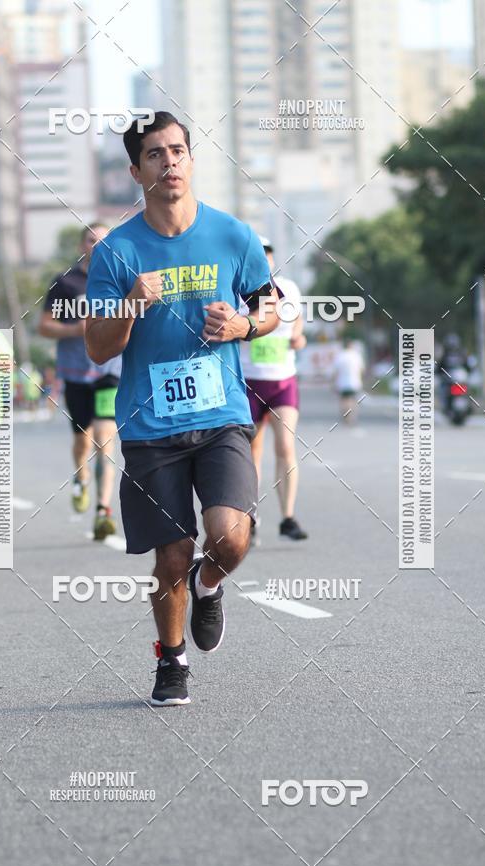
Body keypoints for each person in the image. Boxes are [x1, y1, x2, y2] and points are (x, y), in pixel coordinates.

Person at [85, 111, 279, 706]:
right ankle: (171, 663)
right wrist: (130, 307)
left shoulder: (232, 235)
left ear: (191, 160)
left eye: (177, 151)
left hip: (220, 415)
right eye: (155, 155)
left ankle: (210, 580)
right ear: (136, 170)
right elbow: (96, 347)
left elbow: (271, 306)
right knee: (169, 554)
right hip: (149, 427)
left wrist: (246, 325)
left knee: (229, 537)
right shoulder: (117, 253)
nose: (169, 162)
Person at [38, 224, 122, 540]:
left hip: (110, 369)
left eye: (104, 241)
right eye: (92, 240)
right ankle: (81, 476)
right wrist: (75, 330)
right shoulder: (65, 283)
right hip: (76, 372)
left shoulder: (120, 278)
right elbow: (44, 326)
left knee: (104, 437)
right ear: (81, 245)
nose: (98, 246)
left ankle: (103, 510)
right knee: (83, 440)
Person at [241, 236, 308, 544]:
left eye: (267, 253)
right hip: (248, 382)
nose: (264, 258)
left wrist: (298, 339)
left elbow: (298, 329)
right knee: (251, 453)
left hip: (283, 381)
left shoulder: (289, 288)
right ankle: (250, 519)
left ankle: (288, 517)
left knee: (285, 446)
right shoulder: (238, 291)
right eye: (258, 253)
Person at [333, 336, 365, 425]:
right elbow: (361, 369)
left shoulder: (340, 356)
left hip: (342, 382)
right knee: (353, 400)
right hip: (355, 382)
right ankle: (352, 416)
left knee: (344, 400)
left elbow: (336, 371)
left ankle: (346, 416)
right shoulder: (356, 355)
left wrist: (334, 383)